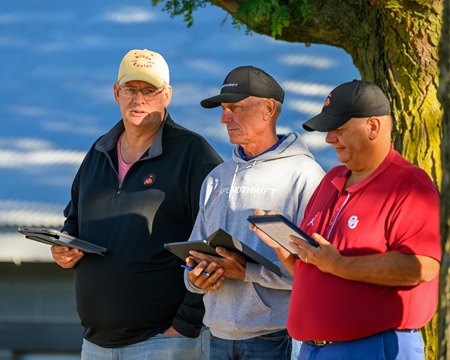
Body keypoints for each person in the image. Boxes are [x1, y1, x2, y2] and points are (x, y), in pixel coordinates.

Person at [50, 49, 222, 359]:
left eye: (149, 90)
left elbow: (216, 243)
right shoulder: (99, 151)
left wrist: (185, 325)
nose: (138, 99)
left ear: (166, 95)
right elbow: (73, 221)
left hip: (163, 342)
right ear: (117, 92)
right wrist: (65, 248)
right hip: (95, 344)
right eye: (130, 89)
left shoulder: (192, 153)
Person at [252, 80, 441, 359]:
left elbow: (422, 266)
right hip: (312, 348)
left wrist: (339, 264)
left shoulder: (409, 183)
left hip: (373, 346)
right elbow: (314, 270)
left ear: (373, 127)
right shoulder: (330, 179)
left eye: (339, 130)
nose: (329, 139)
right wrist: (284, 249)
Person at [184, 65, 325, 360]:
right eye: (223, 109)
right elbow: (193, 255)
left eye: (235, 107)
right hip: (217, 336)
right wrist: (195, 278)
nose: (224, 118)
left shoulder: (305, 175)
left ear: (268, 109)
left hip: (275, 337)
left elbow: (317, 271)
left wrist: (248, 272)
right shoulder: (216, 177)